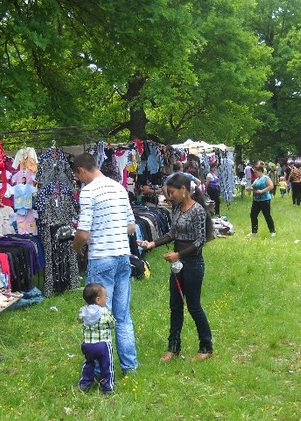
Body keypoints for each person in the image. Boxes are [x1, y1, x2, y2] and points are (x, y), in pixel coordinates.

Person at [72, 153, 139, 375]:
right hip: (122, 256)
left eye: (77, 176)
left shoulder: (88, 191)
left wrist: (76, 248)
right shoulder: (119, 188)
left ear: (81, 170)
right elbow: (131, 227)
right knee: (122, 316)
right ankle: (130, 367)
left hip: (102, 258)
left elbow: (82, 233)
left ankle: (101, 371)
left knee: (99, 317)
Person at [137, 173, 214, 361]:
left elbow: (200, 241)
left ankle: (206, 347)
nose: (170, 196)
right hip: (177, 264)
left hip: (193, 263)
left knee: (194, 307)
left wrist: (178, 255)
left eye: (172, 192)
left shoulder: (198, 211)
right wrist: (151, 244)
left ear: (184, 190)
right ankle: (173, 348)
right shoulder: (178, 208)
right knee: (175, 306)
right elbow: (172, 233)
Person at [77, 283, 115, 394]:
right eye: (105, 297)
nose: (106, 300)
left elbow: (79, 320)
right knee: (107, 365)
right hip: (103, 345)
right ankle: (108, 387)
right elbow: (112, 324)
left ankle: (84, 383)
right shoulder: (104, 311)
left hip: (87, 345)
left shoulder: (82, 311)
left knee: (89, 363)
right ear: (98, 300)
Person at [249, 165, 276, 237]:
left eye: (256, 172)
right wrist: (250, 189)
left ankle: (272, 231)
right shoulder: (256, 179)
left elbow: (271, 186)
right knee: (253, 215)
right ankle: (254, 232)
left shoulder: (265, 178)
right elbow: (254, 187)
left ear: (260, 171)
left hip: (265, 200)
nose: (255, 173)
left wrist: (262, 191)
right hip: (256, 200)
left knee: (267, 215)